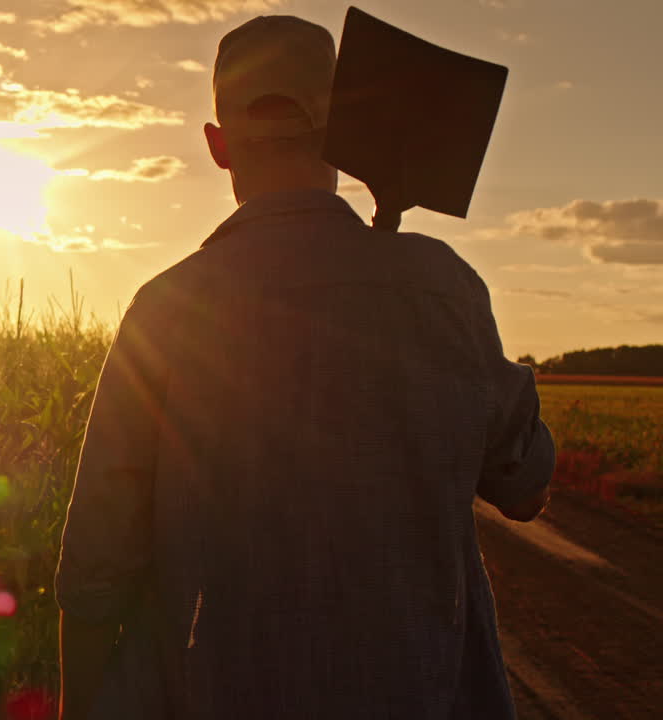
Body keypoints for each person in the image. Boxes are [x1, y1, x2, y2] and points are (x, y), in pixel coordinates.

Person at [54, 14, 554, 720]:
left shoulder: (164, 312)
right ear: (344, 131)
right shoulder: (443, 289)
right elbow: (528, 490)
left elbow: (95, 576)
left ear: (219, 146)